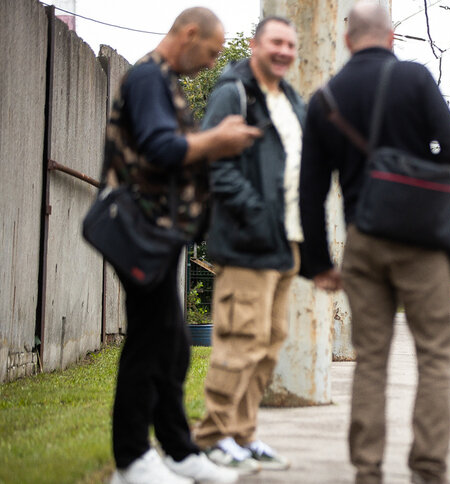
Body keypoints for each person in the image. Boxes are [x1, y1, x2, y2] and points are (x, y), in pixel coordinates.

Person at [299, 3, 450, 483]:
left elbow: (310, 192)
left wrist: (320, 264)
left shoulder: (325, 99)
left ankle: (367, 471)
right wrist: (414, 166)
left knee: (371, 358)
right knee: (433, 352)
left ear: (347, 40)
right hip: (422, 242)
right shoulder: (415, 79)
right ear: (391, 38)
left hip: (364, 240)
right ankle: (429, 468)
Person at [105, 7, 261, 484]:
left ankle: (177, 450)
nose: (213, 63)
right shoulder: (149, 80)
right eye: (213, 52)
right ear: (189, 33)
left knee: (171, 345)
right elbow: (159, 147)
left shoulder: (164, 80)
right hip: (139, 230)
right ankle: (131, 460)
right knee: (150, 343)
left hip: (158, 231)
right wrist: (218, 138)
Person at [192, 16, 304, 475]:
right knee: (240, 339)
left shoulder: (290, 99)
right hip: (245, 241)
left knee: (269, 342)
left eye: (290, 45)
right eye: (276, 42)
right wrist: (257, 214)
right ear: (257, 45)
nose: (283, 51)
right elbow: (214, 164)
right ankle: (211, 437)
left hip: (286, 242)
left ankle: (243, 434)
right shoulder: (233, 93)